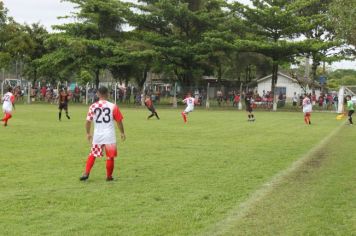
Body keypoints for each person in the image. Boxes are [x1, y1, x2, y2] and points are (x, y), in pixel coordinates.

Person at [80, 87, 126, 181]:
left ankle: (86, 173)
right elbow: (119, 121)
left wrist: (88, 133)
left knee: (93, 154)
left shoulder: (93, 106)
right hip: (109, 135)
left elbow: (88, 121)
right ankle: (109, 176)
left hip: (98, 135)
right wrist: (122, 132)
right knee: (110, 156)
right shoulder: (113, 106)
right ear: (107, 94)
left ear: (98, 94)